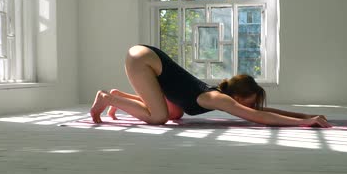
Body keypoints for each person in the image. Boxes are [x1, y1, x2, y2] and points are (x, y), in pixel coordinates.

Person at [90, 44, 331, 128]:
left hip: (146, 58)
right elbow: (260, 117)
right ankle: (106, 98)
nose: (253, 105)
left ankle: (117, 96)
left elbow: (261, 112)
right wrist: (302, 123)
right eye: (252, 100)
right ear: (239, 95)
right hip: (143, 60)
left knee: (175, 112)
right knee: (159, 118)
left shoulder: (217, 95)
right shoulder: (219, 99)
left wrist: (305, 115)